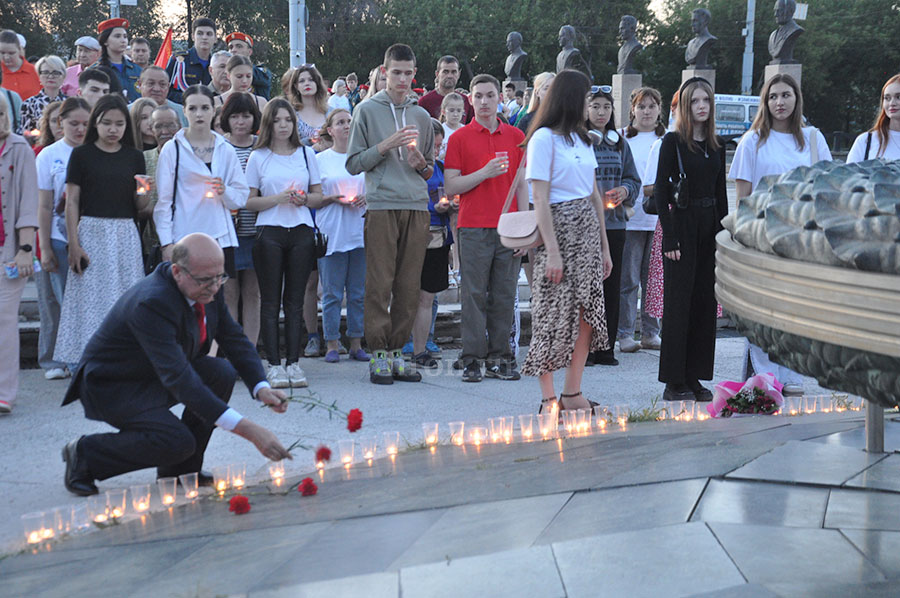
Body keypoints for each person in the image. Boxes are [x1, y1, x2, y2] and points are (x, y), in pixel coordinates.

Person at [60, 233, 292, 496]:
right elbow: (180, 379)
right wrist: (248, 430)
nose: (215, 287)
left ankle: (181, 471)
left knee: (220, 373)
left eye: (220, 277)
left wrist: (261, 387)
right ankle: (86, 455)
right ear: (177, 271)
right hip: (113, 386)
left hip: (151, 373)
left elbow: (233, 338)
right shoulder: (153, 302)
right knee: (177, 441)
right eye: (206, 280)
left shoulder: (207, 284)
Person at [730, 73, 830, 396]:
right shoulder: (752, 141)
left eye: (786, 95)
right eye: (773, 97)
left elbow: (826, 188)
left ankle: (793, 373)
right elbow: (742, 196)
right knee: (762, 309)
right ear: (765, 101)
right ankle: (765, 373)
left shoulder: (813, 139)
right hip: (762, 235)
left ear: (796, 99)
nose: (779, 102)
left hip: (801, 236)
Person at [520, 69, 613, 412]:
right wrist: (553, 251)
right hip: (555, 231)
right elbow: (540, 198)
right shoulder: (543, 138)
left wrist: (604, 246)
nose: (591, 104)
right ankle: (548, 398)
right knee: (551, 314)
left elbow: (594, 195)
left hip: (587, 232)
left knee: (588, 314)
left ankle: (573, 393)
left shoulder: (583, 139)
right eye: (587, 97)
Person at [346, 43, 435, 385]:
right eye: (395, 72)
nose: (401, 79)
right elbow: (353, 163)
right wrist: (386, 145)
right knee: (380, 282)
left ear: (415, 74)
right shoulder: (367, 111)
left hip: (416, 204)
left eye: (408, 73)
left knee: (409, 284)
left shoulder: (423, 116)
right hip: (382, 203)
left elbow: (429, 173)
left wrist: (421, 165)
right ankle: (379, 352)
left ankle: (399, 350)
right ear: (384, 72)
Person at [54, 94, 149, 370]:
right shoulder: (82, 155)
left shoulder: (134, 156)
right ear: (96, 122)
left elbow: (141, 206)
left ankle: (124, 361)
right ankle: (86, 362)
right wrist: (73, 244)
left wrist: (145, 189)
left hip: (124, 234)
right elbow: (71, 202)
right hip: (91, 231)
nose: (113, 129)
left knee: (125, 297)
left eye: (119, 124)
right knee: (89, 299)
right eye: (107, 122)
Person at [444, 73, 528, 382]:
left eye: (489, 95)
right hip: (473, 227)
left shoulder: (516, 136)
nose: (483, 101)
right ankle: (472, 359)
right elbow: (452, 185)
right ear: (470, 100)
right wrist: (484, 172)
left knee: (504, 295)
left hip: (508, 228)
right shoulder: (459, 138)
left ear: (499, 99)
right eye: (478, 96)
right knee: (474, 295)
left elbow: (521, 186)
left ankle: (500, 357)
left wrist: (524, 228)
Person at [653, 77, 727, 403]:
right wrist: (669, 237)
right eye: (695, 101)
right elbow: (659, 192)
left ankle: (695, 375)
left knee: (704, 304)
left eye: (706, 101)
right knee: (679, 303)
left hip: (710, 226)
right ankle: (674, 379)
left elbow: (721, 195)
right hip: (682, 224)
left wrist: (725, 237)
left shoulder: (717, 145)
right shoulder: (673, 142)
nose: (701, 106)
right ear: (685, 106)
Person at [244, 98, 322, 388]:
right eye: (277, 120)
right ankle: (273, 364)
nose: (283, 125)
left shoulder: (306, 154)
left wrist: (304, 199)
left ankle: (294, 362)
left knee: (295, 299)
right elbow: (249, 201)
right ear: (269, 123)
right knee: (270, 299)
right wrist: (277, 199)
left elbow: (319, 195)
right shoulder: (259, 156)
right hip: (270, 232)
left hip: (301, 229)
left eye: (287, 120)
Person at [154, 85, 248, 278]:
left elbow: (240, 197)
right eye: (193, 108)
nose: (199, 114)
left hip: (220, 237)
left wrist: (224, 191)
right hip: (184, 235)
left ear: (213, 111)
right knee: (186, 300)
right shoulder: (173, 149)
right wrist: (166, 242)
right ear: (185, 111)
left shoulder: (225, 149)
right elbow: (164, 201)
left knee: (218, 298)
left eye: (205, 108)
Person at [582, 86, 640, 368]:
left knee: (611, 286)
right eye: (595, 107)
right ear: (586, 110)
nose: (601, 112)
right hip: (586, 225)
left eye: (606, 107)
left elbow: (634, 180)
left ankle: (606, 347)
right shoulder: (579, 141)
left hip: (615, 225)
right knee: (587, 288)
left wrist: (624, 191)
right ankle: (586, 348)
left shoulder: (620, 143)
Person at [36, 97, 90, 382]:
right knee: (61, 302)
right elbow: (43, 206)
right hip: (59, 237)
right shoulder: (48, 155)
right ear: (60, 123)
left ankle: (83, 358)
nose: (80, 129)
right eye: (73, 123)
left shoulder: (95, 152)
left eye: (85, 124)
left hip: (91, 236)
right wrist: (44, 247)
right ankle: (63, 359)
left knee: (86, 302)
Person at [314, 108, 369, 363]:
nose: (346, 126)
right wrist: (331, 199)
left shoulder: (363, 158)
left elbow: (375, 188)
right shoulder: (320, 160)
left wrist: (366, 197)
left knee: (357, 291)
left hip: (359, 230)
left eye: (349, 121)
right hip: (332, 231)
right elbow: (311, 198)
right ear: (330, 129)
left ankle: (357, 341)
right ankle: (332, 342)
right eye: (340, 122)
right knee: (332, 292)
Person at [618, 87, 665, 353]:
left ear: (659, 110)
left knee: (654, 280)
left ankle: (651, 332)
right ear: (633, 110)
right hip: (631, 219)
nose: (646, 111)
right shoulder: (623, 138)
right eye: (641, 106)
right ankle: (625, 333)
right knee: (629, 279)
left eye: (651, 106)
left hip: (659, 220)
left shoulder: (667, 138)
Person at [0, 91, 39, 414]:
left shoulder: (19, 148)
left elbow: (28, 203)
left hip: (9, 250)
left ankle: (4, 392)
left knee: (4, 319)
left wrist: (26, 248)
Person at [220, 92, 261, 351]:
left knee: (253, 293)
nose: (240, 121)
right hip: (227, 229)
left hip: (256, 229)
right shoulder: (220, 146)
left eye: (246, 115)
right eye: (235, 116)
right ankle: (232, 350)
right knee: (229, 293)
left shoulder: (262, 145)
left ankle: (251, 349)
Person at [140, 103, 182, 273]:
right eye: (159, 126)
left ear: (179, 126)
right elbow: (137, 205)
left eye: (170, 125)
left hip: (184, 240)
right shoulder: (143, 159)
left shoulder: (191, 158)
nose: (165, 130)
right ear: (151, 129)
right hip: (152, 244)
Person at [847, 74, 900, 163]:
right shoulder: (865, 141)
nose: (892, 103)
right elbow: (848, 176)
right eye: (887, 98)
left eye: (898, 97)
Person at [165, 17, 216, 104]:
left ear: (215, 38)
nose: (204, 37)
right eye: (200, 33)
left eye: (209, 34)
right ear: (193, 36)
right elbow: (165, 90)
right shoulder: (178, 60)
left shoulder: (217, 64)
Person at [96, 18, 142, 100]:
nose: (123, 40)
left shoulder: (137, 70)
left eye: (125, 36)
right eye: (117, 36)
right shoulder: (95, 70)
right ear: (105, 41)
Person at [418, 55, 474, 123]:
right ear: (437, 74)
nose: (450, 76)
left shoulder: (466, 102)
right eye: (445, 72)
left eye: (453, 72)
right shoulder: (424, 102)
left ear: (459, 74)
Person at [21, 55, 67, 134]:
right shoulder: (29, 104)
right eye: (45, 72)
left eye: (56, 73)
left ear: (63, 76)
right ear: (39, 76)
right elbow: (25, 134)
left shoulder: (70, 103)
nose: (50, 76)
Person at [286, 64, 328, 144]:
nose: (307, 83)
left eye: (311, 80)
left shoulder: (330, 112)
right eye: (302, 81)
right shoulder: (291, 113)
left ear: (317, 83)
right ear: (296, 86)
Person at [225, 32, 271, 99]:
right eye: (230, 47)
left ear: (249, 52)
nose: (233, 50)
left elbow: (263, 78)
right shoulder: (226, 70)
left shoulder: (260, 72)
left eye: (239, 46)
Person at [0, 30, 40, 100]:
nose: (6, 57)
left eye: (11, 53)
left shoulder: (36, 71)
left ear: (20, 50)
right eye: (2, 53)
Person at [438, 92, 465, 159]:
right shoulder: (440, 130)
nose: (455, 114)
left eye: (459, 111)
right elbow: (435, 157)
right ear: (443, 112)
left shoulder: (466, 130)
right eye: (451, 110)